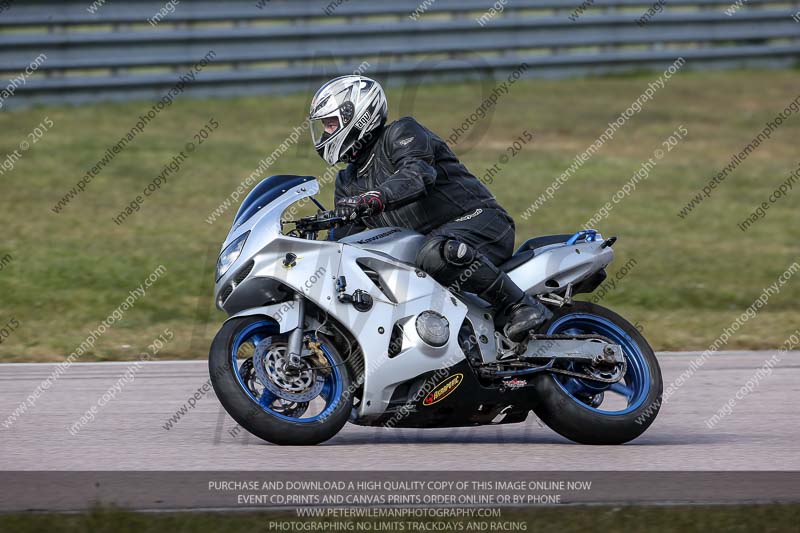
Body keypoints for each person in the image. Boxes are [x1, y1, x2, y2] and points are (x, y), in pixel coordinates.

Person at [308, 75, 552, 342]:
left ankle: (522, 306)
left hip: (482, 224)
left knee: (435, 253)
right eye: (324, 126)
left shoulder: (401, 133)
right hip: (429, 249)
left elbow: (417, 175)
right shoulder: (348, 181)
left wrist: (373, 198)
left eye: (331, 124)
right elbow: (344, 244)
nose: (325, 133)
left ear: (359, 116)